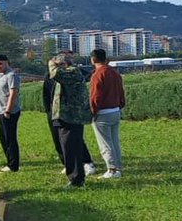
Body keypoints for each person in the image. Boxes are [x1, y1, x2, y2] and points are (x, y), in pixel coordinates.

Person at [42, 54, 96, 175]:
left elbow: (56, 74)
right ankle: (73, 174)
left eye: (58, 65)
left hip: (72, 116)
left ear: (64, 64)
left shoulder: (72, 72)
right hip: (63, 116)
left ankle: (77, 175)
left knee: (72, 145)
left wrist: (51, 63)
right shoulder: (65, 75)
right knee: (66, 145)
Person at [89, 48, 126, 179]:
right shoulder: (115, 73)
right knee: (115, 141)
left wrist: (92, 111)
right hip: (115, 110)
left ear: (93, 60)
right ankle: (118, 166)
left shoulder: (98, 74)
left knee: (105, 143)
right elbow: (121, 92)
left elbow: (96, 95)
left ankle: (112, 169)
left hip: (103, 112)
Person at [0, 55, 21, 172]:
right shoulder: (1, 76)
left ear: (6, 63)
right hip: (1, 112)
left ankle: (13, 165)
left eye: (0, 64)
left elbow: (13, 93)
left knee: (10, 139)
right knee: (3, 139)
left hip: (9, 112)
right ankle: (9, 162)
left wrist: (7, 110)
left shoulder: (11, 75)